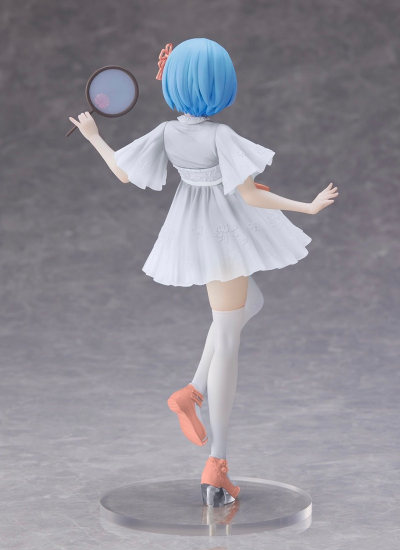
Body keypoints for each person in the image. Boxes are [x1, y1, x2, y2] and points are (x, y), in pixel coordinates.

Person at [69, 38, 338, 507]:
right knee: (229, 338)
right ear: (220, 85)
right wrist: (307, 207)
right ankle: (217, 464)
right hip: (223, 233)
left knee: (251, 303)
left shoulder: (167, 132)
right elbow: (249, 196)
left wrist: (93, 136)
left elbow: (124, 173)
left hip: (196, 227)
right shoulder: (220, 135)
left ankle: (191, 391)